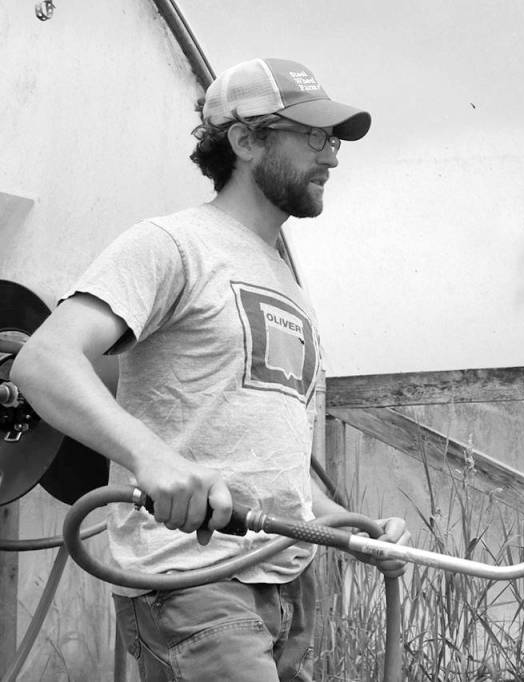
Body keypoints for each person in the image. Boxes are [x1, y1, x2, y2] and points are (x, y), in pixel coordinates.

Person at [11, 57, 408, 681]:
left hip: (284, 595)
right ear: (246, 140)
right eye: (312, 135)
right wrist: (152, 459)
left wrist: (349, 528)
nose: (331, 155)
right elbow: (43, 361)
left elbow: (262, 470)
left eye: (333, 138)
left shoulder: (288, 284)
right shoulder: (172, 245)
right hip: (194, 586)